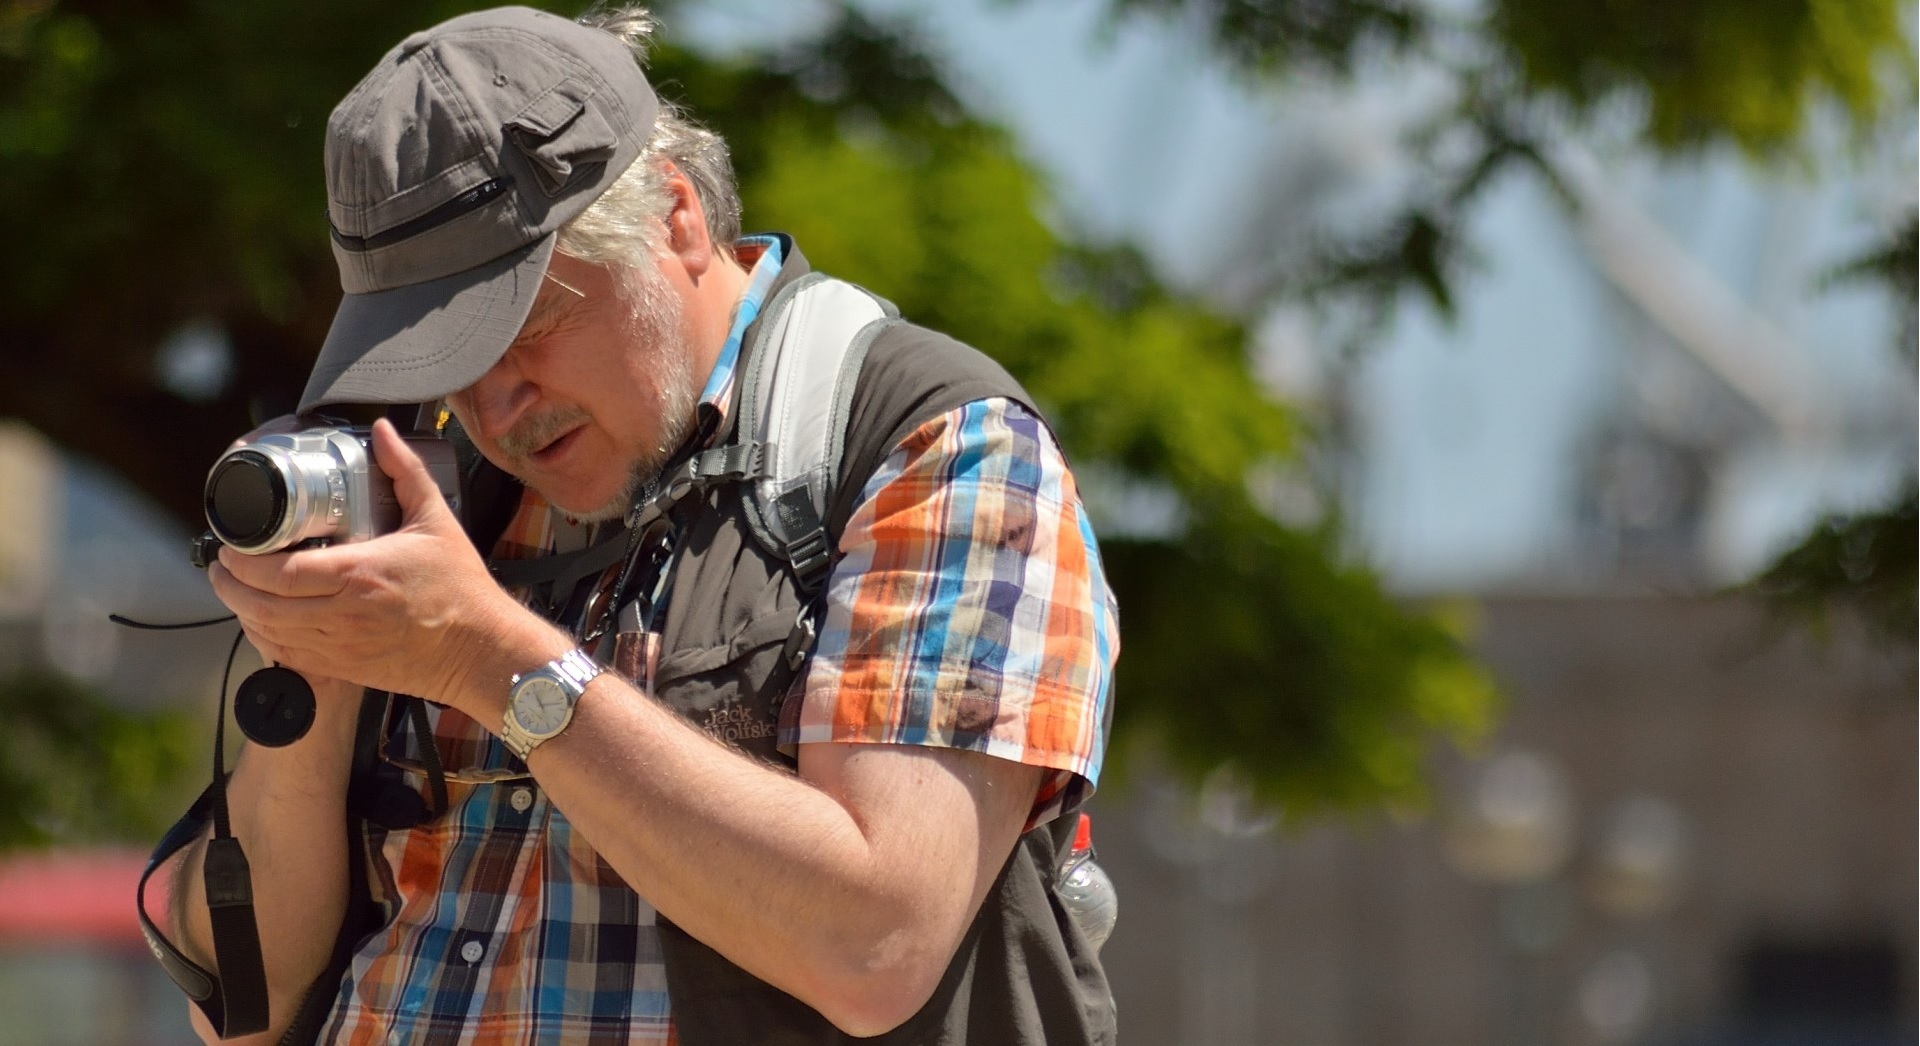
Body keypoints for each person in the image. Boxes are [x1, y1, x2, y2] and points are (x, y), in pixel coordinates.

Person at [167, 5, 1117, 1043]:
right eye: (444, 364)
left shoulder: (931, 443)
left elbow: (878, 941)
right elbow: (241, 1006)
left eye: (528, 328)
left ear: (677, 215)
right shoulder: (431, 487)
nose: (496, 411)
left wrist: (490, 660)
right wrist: (327, 662)